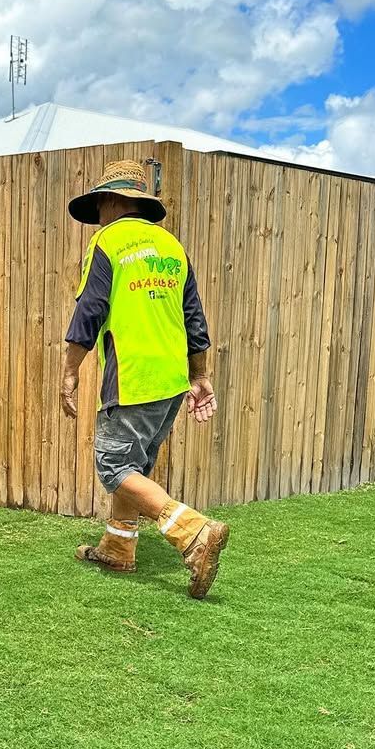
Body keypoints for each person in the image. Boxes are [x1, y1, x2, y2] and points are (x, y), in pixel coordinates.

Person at [60, 159, 229, 599]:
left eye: (100, 204)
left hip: (133, 378)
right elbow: (195, 318)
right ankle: (119, 547)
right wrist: (200, 377)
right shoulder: (171, 246)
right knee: (134, 467)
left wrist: (68, 371)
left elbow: (90, 311)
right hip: (173, 380)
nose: (98, 215)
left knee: (113, 467)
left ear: (115, 201)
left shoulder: (108, 242)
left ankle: (194, 533)